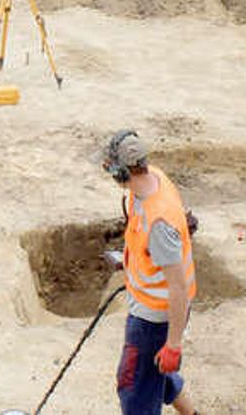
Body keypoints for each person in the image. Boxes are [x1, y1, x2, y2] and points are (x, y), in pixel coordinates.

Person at [102, 130, 198, 415]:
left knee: (133, 387)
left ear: (121, 171)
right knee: (153, 374)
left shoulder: (160, 224)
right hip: (150, 307)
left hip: (153, 318)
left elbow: (178, 288)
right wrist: (131, 263)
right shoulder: (151, 178)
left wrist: (173, 345)